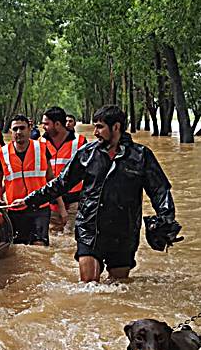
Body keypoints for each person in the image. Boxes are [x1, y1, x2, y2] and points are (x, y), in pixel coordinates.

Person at [12, 105, 181, 282]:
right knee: (89, 286)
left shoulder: (141, 156)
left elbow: (160, 191)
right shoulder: (87, 153)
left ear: (116, 127)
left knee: (118, 287)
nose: (95, 132)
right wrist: (29, 200)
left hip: (123, 233)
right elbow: (61, 183)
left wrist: (166, 218)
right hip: (89, 229)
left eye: (100, 127)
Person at [0, 114, 57, 246]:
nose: (18, 132)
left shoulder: (42, 149)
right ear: (11, 131)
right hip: (15, 210)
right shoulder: (2, 153)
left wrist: (61, 208)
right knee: (19, 247)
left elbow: (51, 180)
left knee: (39, 247)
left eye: (22, 128)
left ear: (30, 128)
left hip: (40, 207)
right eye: (15, 129)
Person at [41, 106, 87, 231]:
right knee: (53, 240)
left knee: (70, 239)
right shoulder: (41, 142)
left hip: (74, 200)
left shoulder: (80, 142)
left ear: (57, 124)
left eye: (46, 124)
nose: (43, 127)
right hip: (51, 201)